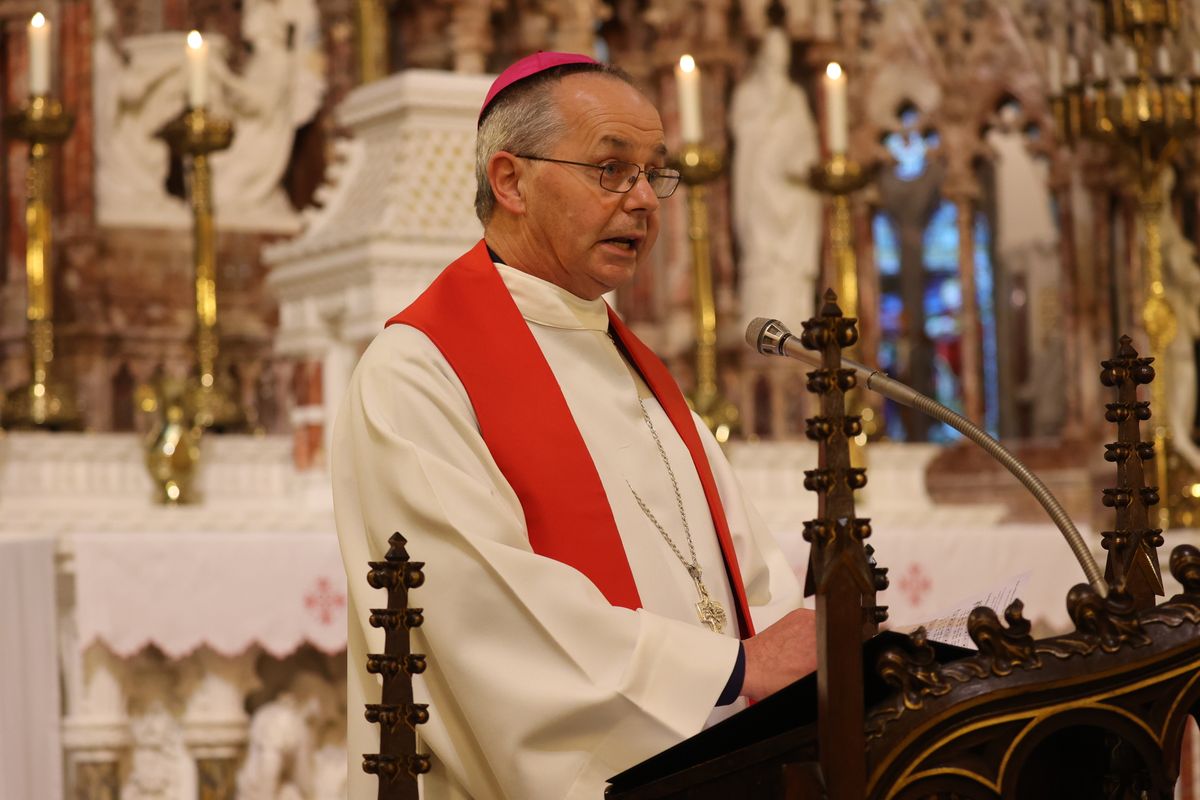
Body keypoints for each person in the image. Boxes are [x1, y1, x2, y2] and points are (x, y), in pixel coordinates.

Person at [332, 52, 816, 800]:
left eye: (654, 173)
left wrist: (802, 663)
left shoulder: (634, 364)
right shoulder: (419, 371)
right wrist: (735, 670)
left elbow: (743, 571)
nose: (645, 200)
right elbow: (486, 611)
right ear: (510, 180)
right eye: (610, 170)